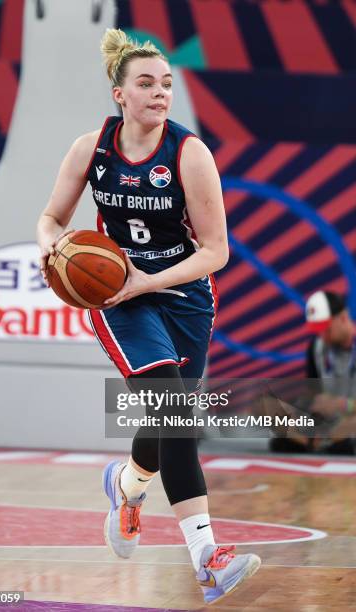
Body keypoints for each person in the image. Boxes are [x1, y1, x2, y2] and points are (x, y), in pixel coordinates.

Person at [36, 28, 260, 604]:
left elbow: (216, 251)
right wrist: (52, 249)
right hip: (118, 300)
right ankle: (208, 558)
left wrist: (151, 278)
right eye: (146, 84)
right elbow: (52, 218)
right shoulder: (92, 148)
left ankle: (128, 485)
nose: (160, 93)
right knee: (180, 414)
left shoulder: (189, 153)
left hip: (183, 293)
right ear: (119, 94)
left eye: (166, 84)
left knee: (169, 421)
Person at [269, 290, 355, 454]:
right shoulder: (317, 347)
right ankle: (316, 442)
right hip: (328, 422)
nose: (322, 336)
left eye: (326, 329)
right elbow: (314, 393)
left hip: (349, 417)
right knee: (266, 405)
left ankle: (322, 442)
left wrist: (341, 404)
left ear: (343, 318)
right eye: (318, 330)